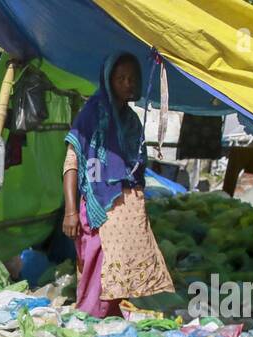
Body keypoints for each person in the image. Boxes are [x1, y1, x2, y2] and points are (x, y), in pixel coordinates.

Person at [62, 52, 174, 318]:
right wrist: (70, 211)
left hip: (124, 211)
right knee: (97, 269)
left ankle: (111, 322)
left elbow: (135, 169)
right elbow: (72, 160)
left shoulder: (131, 120)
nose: (128, 84)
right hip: (99, 204)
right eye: (121, 78)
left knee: (120, 270)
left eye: (132, 79)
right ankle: (90, 320)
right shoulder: (92, 114)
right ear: (108, 80)